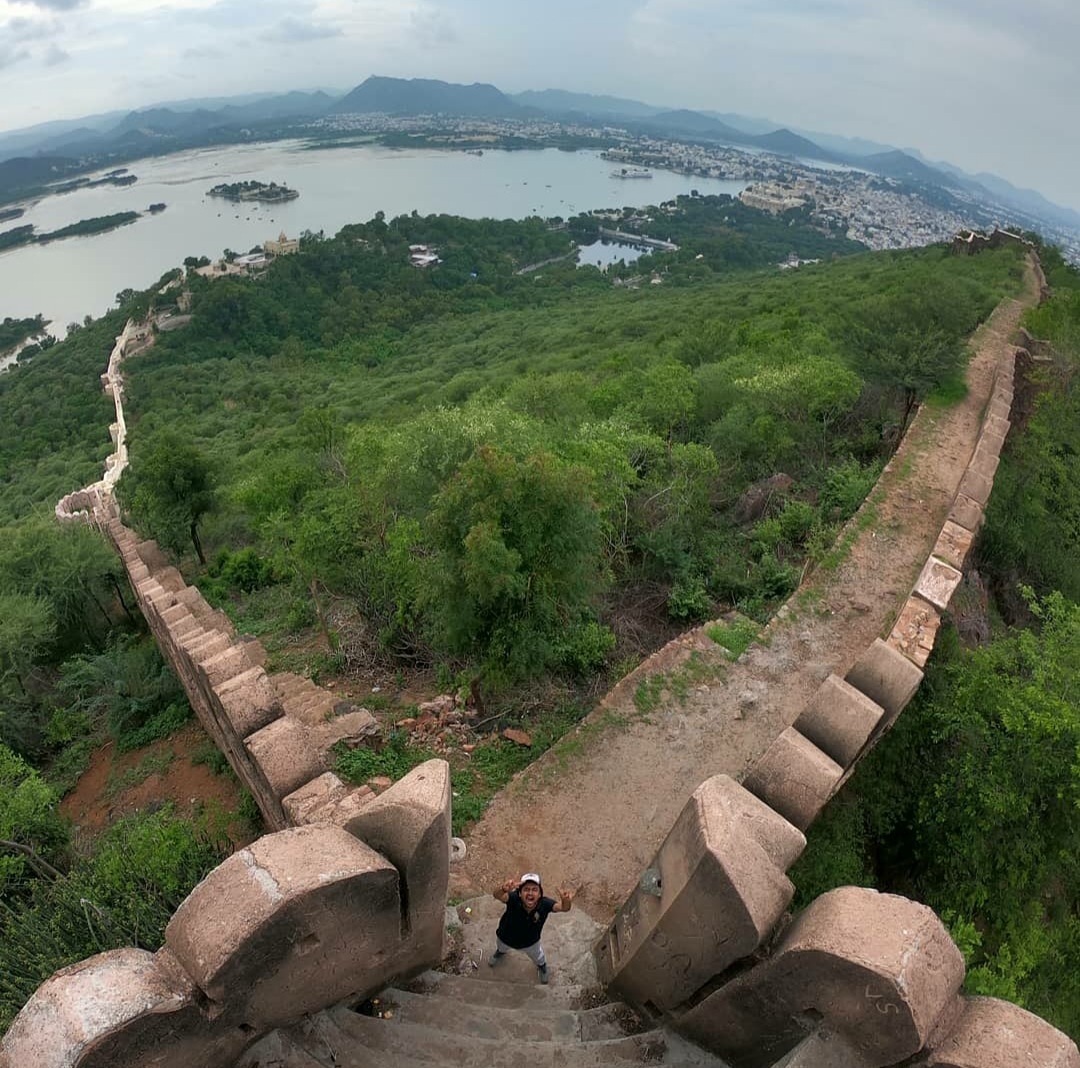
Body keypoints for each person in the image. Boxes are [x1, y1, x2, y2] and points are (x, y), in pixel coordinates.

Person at [489, 872, 573, 984]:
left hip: (531, 943)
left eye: (534, 889)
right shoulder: (513, 898)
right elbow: (497, 895)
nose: (530, 893)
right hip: (505, 938)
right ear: (519, 893)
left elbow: (563, 908)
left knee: (538, 957)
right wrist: (503, 889)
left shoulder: (545, 904)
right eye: (526, 889)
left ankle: (542, 967)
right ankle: (500, 952)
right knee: (501, 948)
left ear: (539, 894)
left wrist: (566, 900)